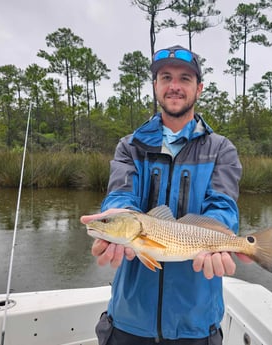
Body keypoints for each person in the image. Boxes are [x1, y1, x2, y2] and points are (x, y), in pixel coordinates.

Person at [80, 44, 250, 345]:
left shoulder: (222, 149)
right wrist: (113, 218)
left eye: (184, 79)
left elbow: (222, 205)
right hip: (128, 320)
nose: (174, 86)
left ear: (199, 88)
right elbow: (121, 195)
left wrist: (220, 236)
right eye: (166, 77)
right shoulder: (129, 146)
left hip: (196, 324)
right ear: (155, 86)